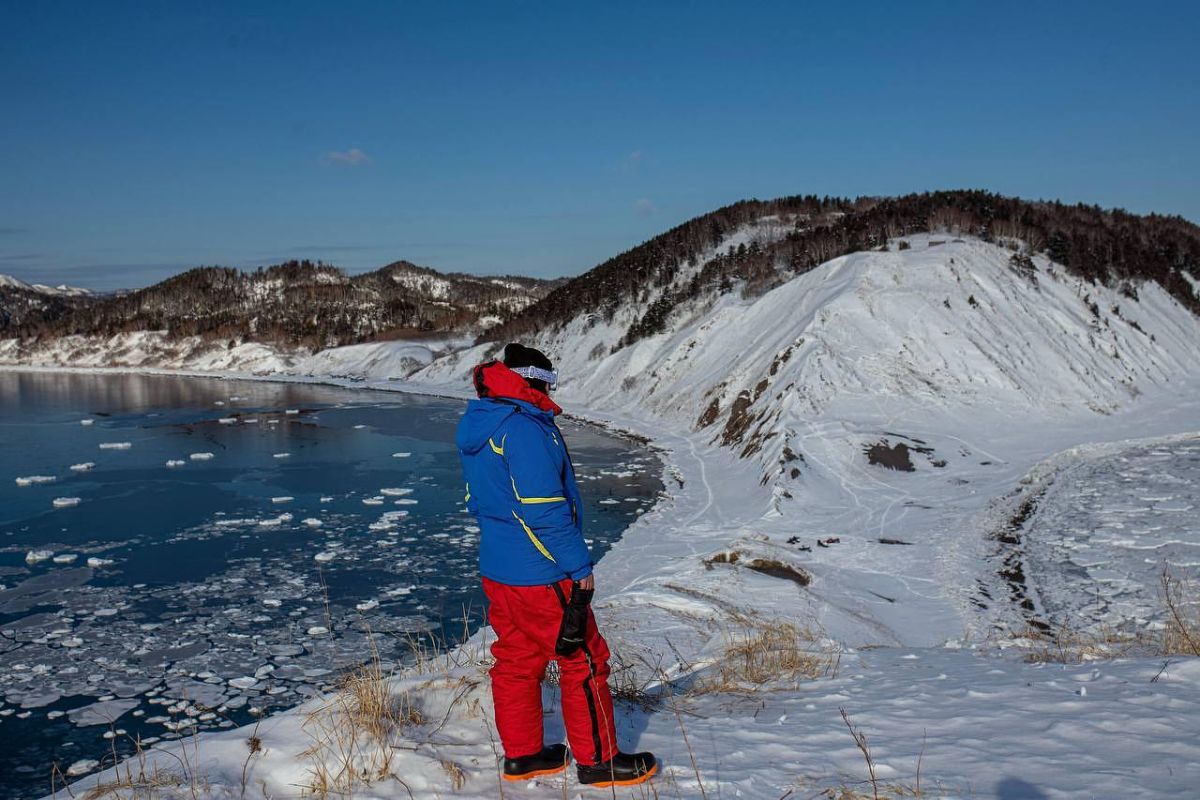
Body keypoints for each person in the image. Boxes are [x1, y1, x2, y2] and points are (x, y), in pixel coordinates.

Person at [455, 342, 657, 788]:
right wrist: (578, 566)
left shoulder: (484, 422)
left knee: (517, 659)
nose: (552, 391)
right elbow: (544, 508)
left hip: (500, 568)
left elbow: (479, 500)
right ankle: (598, 760)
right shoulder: (524, 429)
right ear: (534, 381)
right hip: (541, 572)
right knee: (583, 658)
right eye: (549, 382)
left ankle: (524, 756)